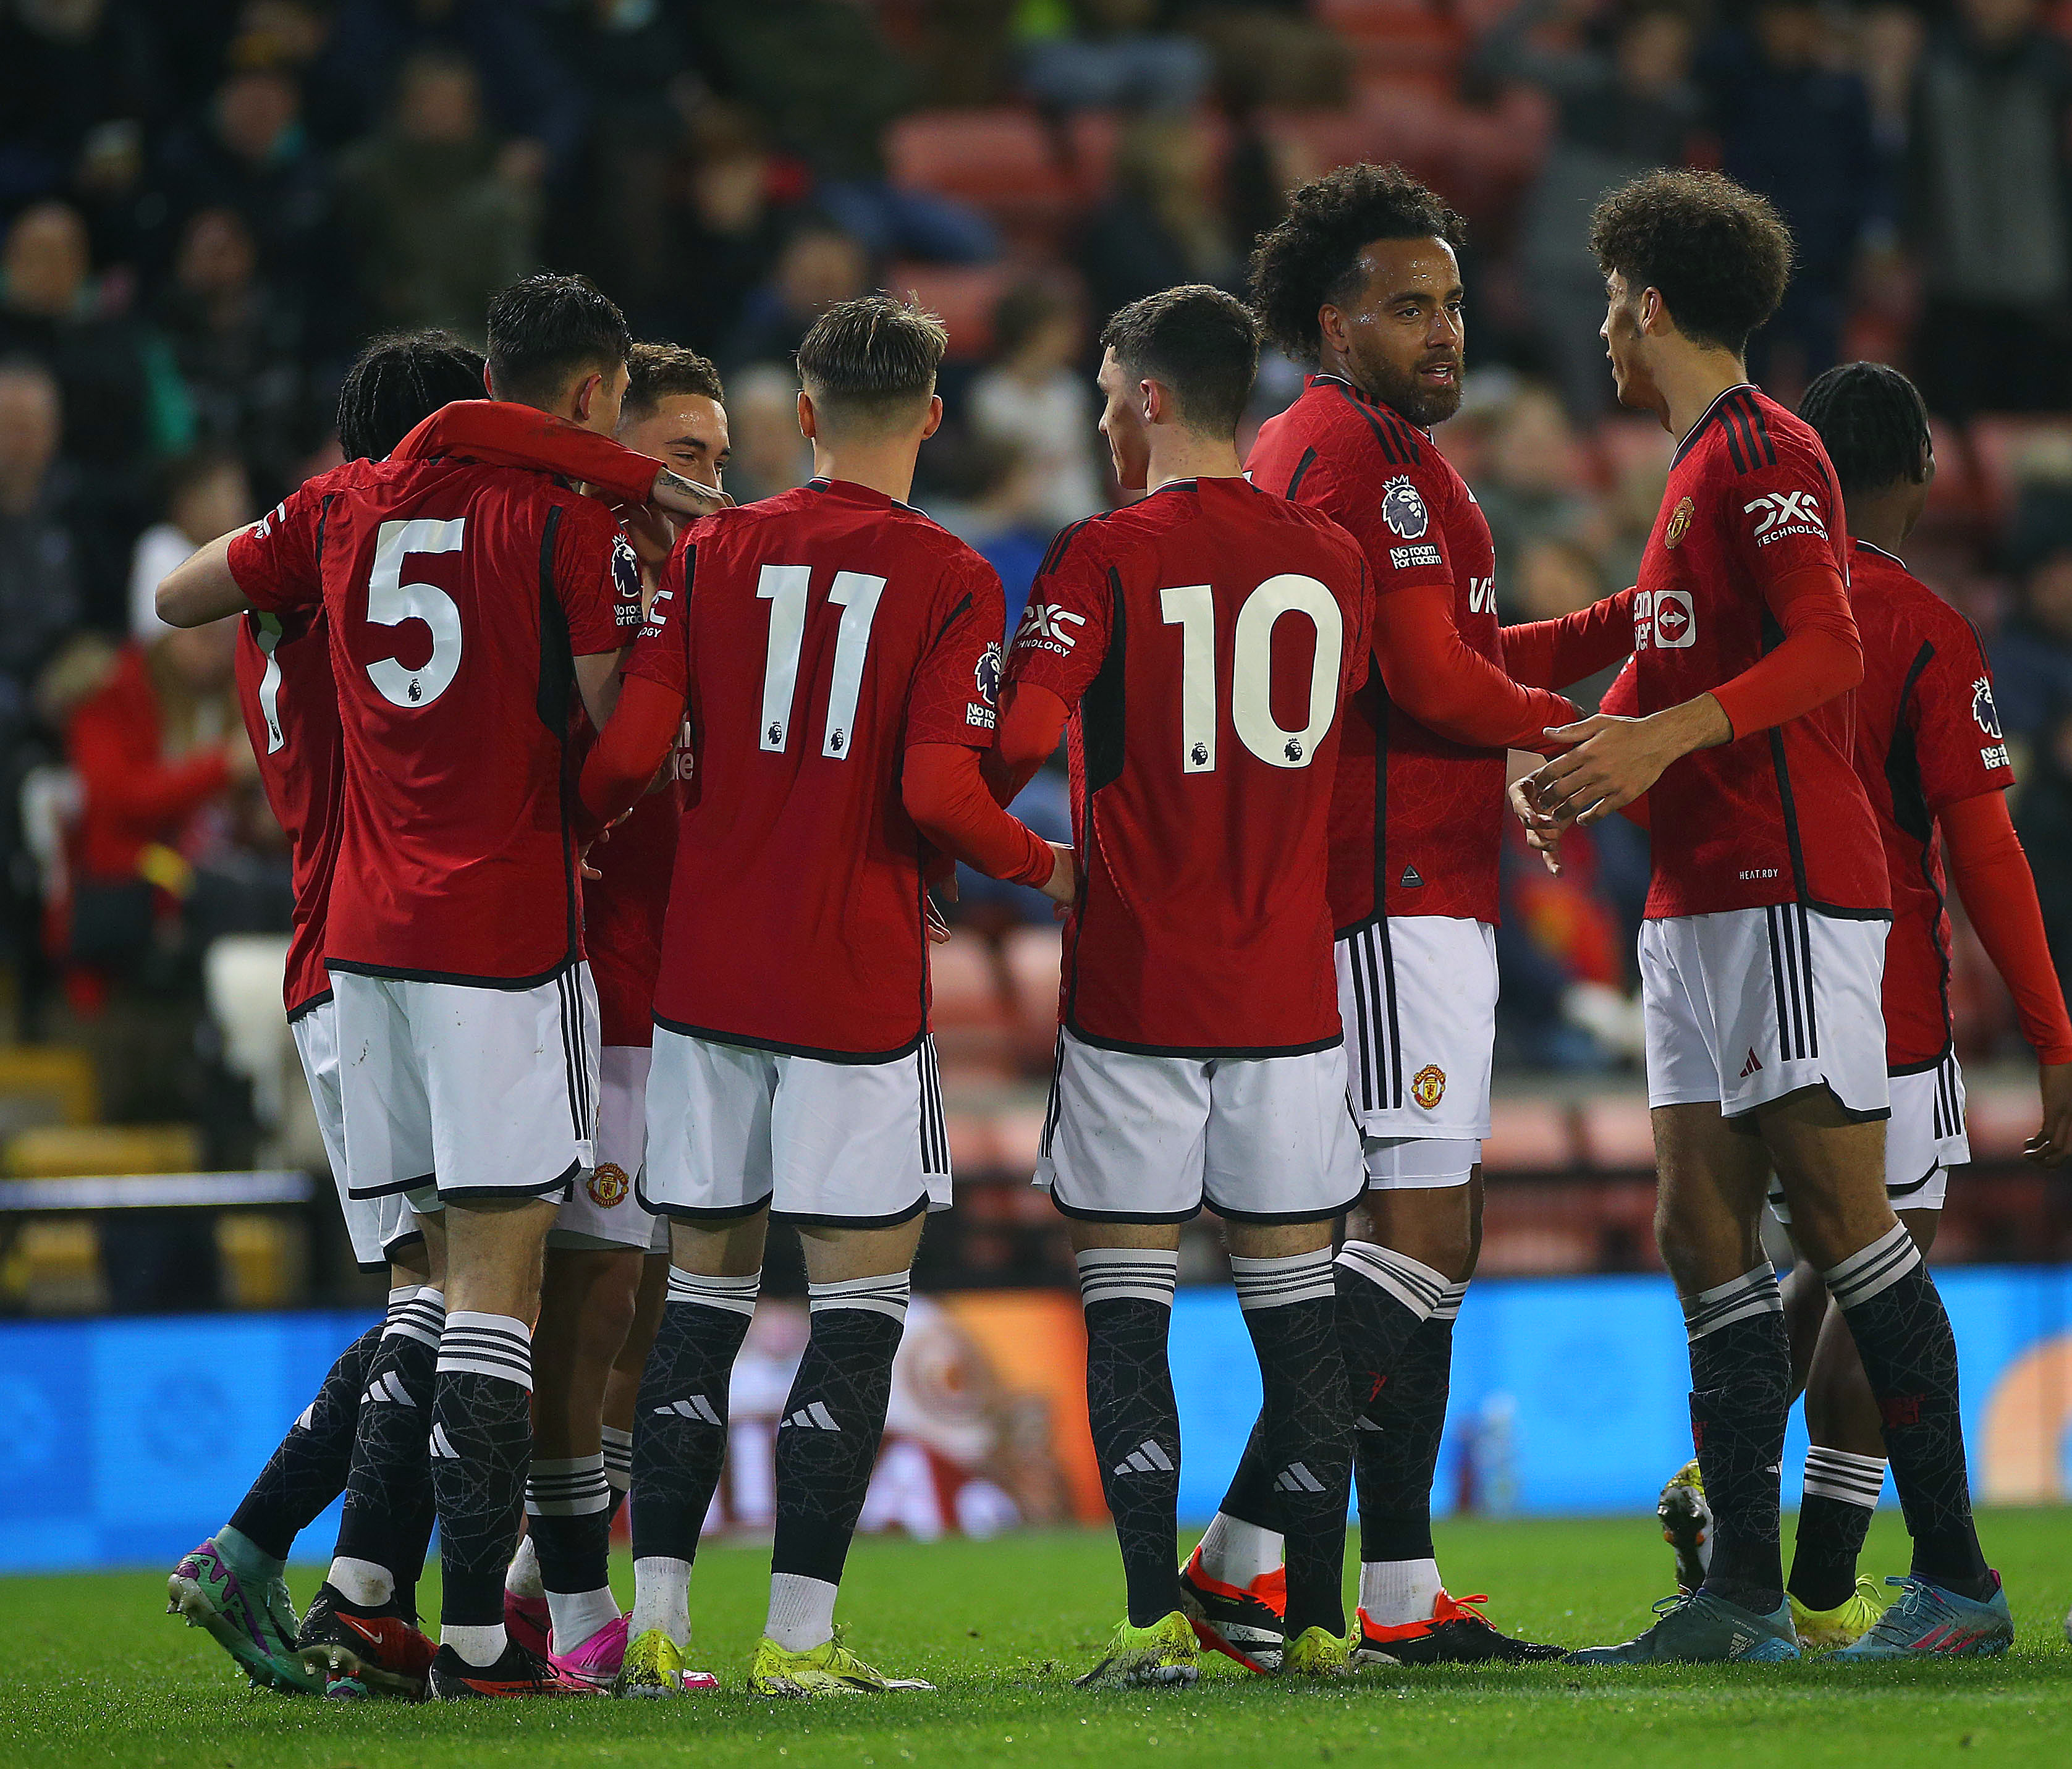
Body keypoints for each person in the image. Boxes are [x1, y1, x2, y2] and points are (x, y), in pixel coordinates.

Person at [155, 272, 705, 1700]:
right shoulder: (541, 524)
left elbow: (175, 592)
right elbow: (607, 751)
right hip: (486, 931)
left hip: (344, 936)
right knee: (481, 1299)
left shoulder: (324, 534)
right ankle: (466, 1630)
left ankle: (347, 1592)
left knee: (423, 1294)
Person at [1524, 169, 2013, 1662]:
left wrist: (1657, 744)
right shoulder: (1690, 474)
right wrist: (1572, 753)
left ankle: (1959, 1585)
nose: (1602, 329)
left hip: (1790, 891)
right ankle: (1739, 1591)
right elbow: (1640, 649)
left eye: (1612, 301)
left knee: (1854, 1235)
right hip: (1695, 899)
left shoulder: (1767, 448)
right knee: (1699, 1231)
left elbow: (1825, 650)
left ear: (1650, 303)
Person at [578, 296, 1069, 1698]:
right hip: (850, 985)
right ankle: (797, 1643)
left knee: (699, 1308)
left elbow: (624, 758)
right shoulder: (953, 575)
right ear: (929, 413)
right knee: (854, 1318)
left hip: (706, 979)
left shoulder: (714, 547)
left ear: (801, 414)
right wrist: (1043, 865)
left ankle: (655, 1623)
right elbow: (933, 787)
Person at [1213, 163, 1621, 1670]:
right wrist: (1574, 736)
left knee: (1406, 1239)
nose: (1441, 331)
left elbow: (1456, 648)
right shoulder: (1353, 454)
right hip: (1386, 886)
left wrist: (1623, 630)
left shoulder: (1368, 451)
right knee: (1425, 1239)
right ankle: (1246, 1547)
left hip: (1415, 877)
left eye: (1450, 304)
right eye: (1406, 308)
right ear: (1335, 320)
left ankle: (1394, 1590)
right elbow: (1427, 682)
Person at [1649, 363, 2072, 1651]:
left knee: (1763, 1266)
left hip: (1726, 967)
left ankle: (1767, 1573)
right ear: (1925, 471)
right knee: (1870, 1283)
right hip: (1882, 1001)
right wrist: (2054, 1033)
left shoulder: (1728, 606)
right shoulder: (1922, 621)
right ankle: (1849, 1582)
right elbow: (1986, 848)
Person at [986, 284, 1372, 1687]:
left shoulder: (1102, 553)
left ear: (1151, 398)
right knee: (1299, 1308)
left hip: (1141, 988)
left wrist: (1010, 849)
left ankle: (1157, 1624)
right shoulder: (1333, 560)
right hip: (1287, 992)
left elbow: (1017, 741)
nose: (1098, 416)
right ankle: (1317, 1625)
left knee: (1127, 1303)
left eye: (1104, 394)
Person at [499, 342, 732, 1691]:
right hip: (605, 978)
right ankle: (575, 1605)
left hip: (704, 991)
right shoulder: (587, 576)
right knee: (586, 1309)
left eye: (717, 454)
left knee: (651, 1313)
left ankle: (541, 1578)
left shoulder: (725, 582)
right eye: (681, 453)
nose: (706, 479)